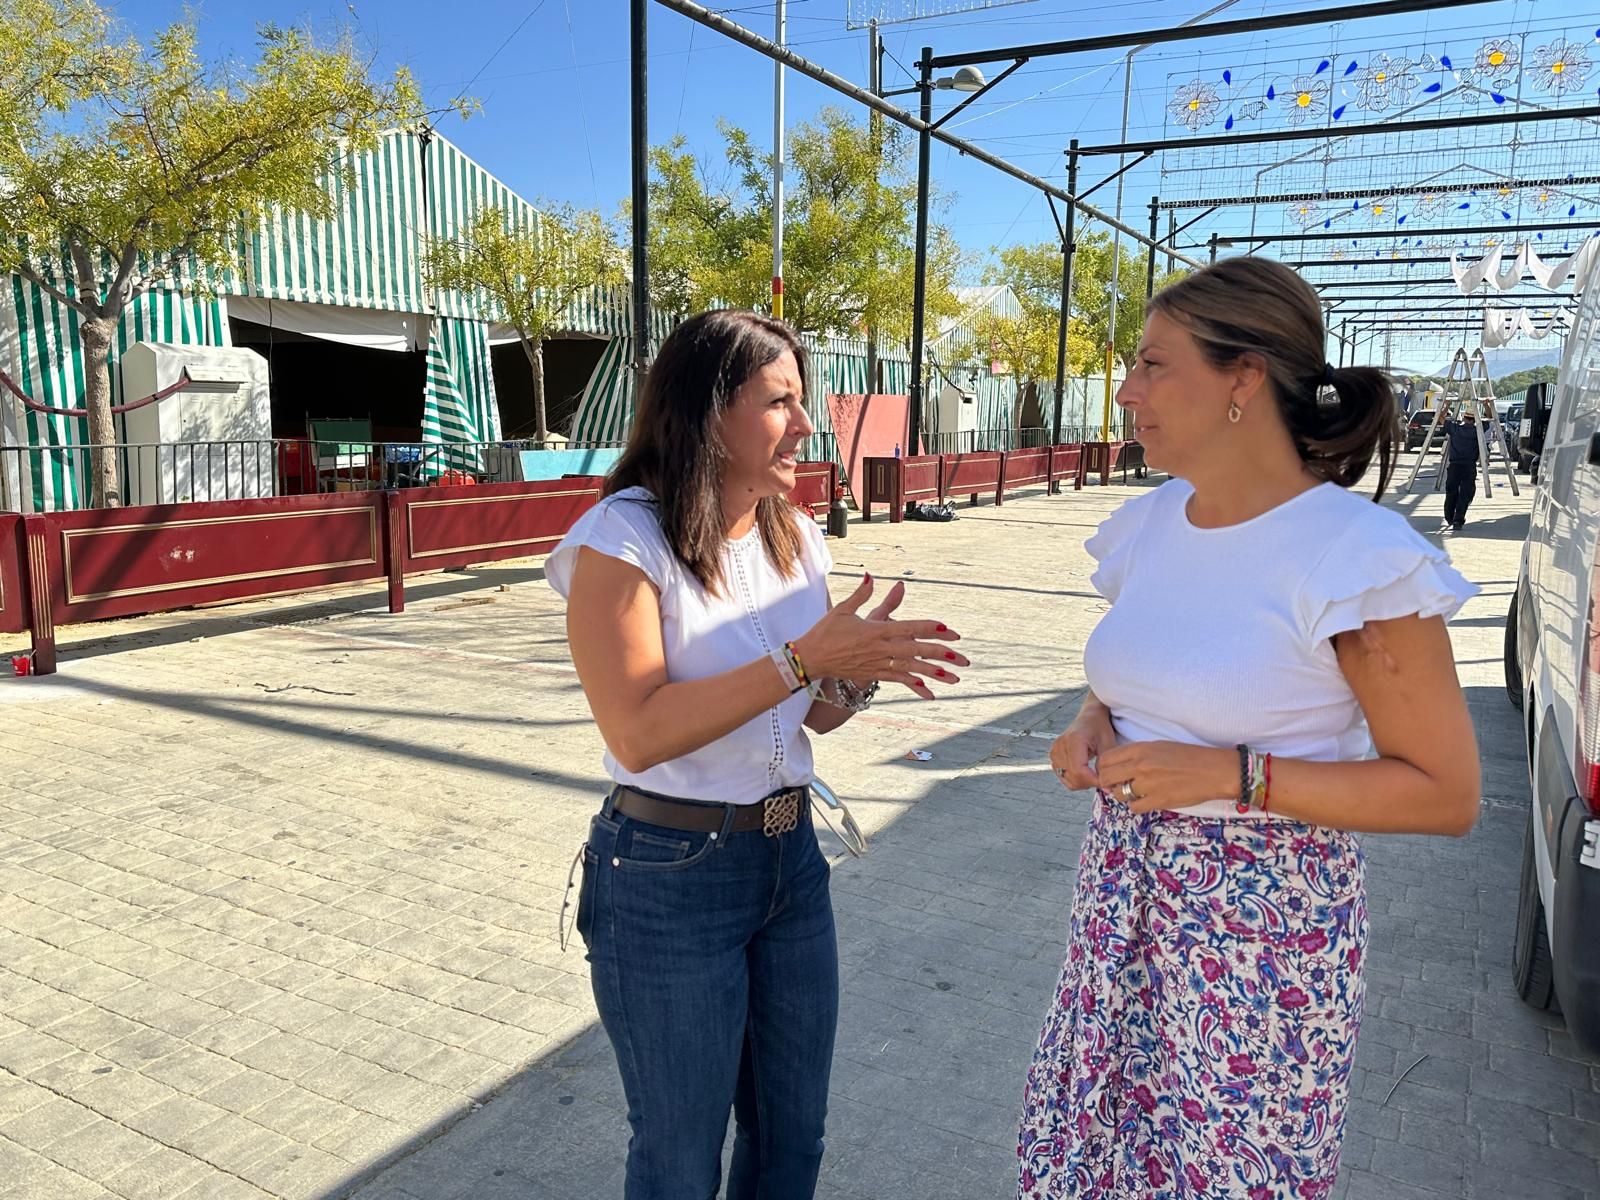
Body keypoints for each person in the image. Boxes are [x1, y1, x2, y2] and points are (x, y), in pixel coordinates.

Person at [1017, 257, 1480, 1200]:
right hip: (1122, 901)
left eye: (1153, 365)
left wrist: (1230, 774)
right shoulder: (1150, 525)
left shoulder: (1356, 560)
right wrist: (1093, 722)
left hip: (1262, 939)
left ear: (1244, 377)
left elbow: (1448, 793)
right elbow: (1149, 677)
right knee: (1098, 1158)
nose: (1127, 389)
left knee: (1233, 1176)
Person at [547, 309, 968, 1200]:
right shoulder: (622, 539)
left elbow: (810, 717)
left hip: (789, 861)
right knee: (679, 1155)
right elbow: (639, 731)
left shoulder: (793, 534)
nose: (806, 424)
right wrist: (807, 658)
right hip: (668, 874)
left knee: (791, 1137)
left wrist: (857, 671)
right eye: (781, 402)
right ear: (707, 413)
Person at [1443, 407, 1483, 532]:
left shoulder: (1455, 429)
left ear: (1464, 418)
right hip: (1469, 466)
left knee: (1451, 492)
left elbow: (1440, 418)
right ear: (1475, 419)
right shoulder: (1477, 431)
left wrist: (1446, 405)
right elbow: (1490, 417)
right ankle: (1458, 520)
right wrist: (1487, 404)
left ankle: (1450, 517)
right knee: (1466, 494)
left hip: (1455, 465)